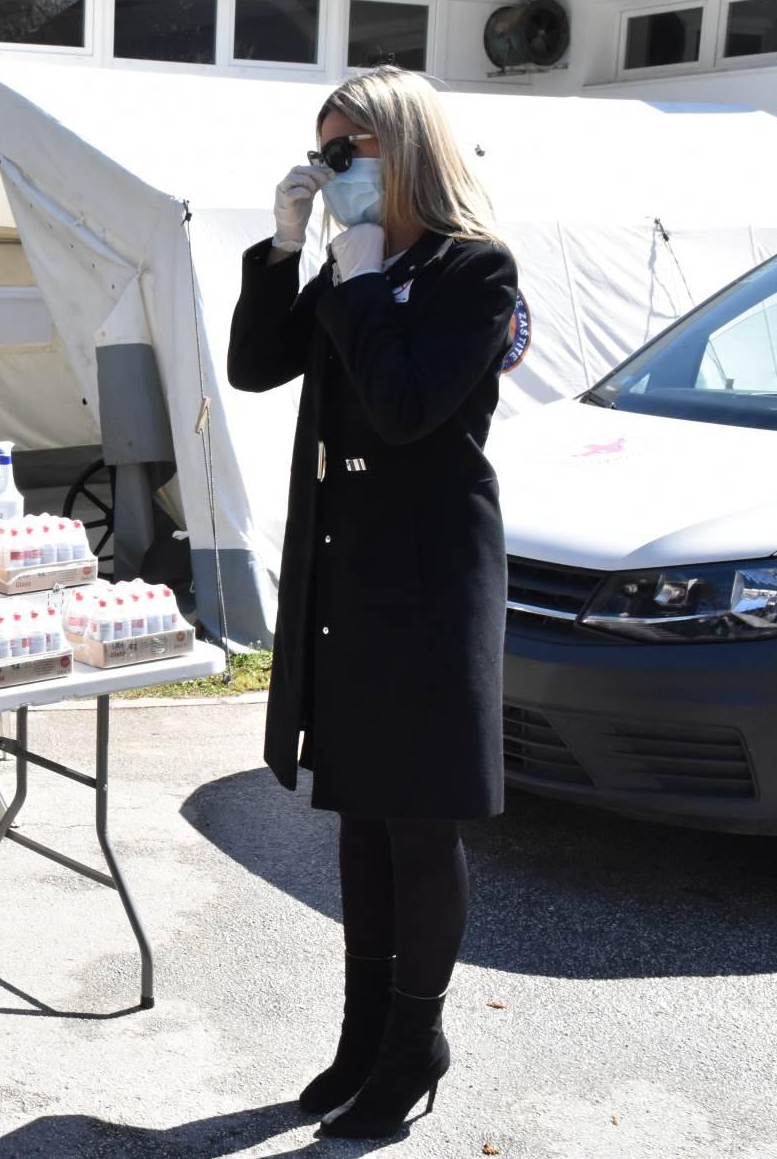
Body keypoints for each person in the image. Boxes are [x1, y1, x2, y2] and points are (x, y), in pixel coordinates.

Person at [226, 66, 518, 1139]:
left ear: (405, 154)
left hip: (430, 577)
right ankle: (360, 1032)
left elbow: (402, 406)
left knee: (416, 817)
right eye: (321, 154)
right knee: (356, 807)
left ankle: (414, 1036)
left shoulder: (471, 271)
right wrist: (282, 248)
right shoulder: (352, 265)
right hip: (348, 571)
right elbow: (256, 365)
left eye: (347, 154)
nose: (332, 170)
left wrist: (352, 269)